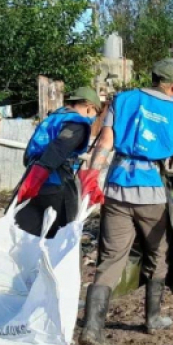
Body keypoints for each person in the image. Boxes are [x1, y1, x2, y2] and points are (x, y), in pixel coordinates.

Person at [76, 58, 173, 345]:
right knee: (158, 253)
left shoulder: (124, 99)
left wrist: (93, 176)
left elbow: (105, 141)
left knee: (110, 258)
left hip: (117, 188)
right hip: (152, 193)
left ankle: (92, 329)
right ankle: (152, 317)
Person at [15, 86, 101, 238]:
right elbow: (59, 148)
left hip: (30, 180)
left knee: (24, 236)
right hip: (56, 185)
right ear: (89, 107)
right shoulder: (77, 124)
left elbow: (29, 152)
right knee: (59, 238)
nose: (94, 119)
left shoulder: (52, 119)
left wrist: (33, 178)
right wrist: (41, 173)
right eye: (96, 113)